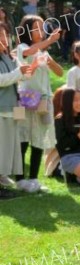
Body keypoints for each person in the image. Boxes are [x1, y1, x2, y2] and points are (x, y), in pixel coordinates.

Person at [16, 15, 63, 193]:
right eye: (37, 27)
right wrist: (49, 41)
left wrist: (49, 60)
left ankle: (34, 179)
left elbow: (59, 73)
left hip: (43, 100)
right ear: (27, 30)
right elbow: (28, 55)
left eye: (42, 27)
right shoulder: (22, 47)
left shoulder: (43, 51)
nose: (41, 31)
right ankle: (20, 179)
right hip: (24, 100)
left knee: (39, 138)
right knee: (22, 138)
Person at [0, 23, 30, 196]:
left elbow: (21, 75)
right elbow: (2, 80)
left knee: (9, 146)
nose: (3, 39)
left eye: (4, 35)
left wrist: (27, 70)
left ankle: (3, 176)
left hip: (11, 106)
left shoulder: (8, 57)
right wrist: (19, 72)